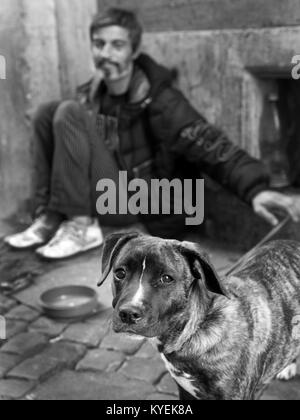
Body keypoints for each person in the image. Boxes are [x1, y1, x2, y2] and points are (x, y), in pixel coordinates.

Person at [5, 8, 300, 259]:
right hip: (112, 194)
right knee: (48, 112)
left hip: (150, 207)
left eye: (117, 45)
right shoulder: (92, 94)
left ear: (134, 51)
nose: (105, 54)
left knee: (68, 111)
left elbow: (210, 143)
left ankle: (81, 225)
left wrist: (256, 189)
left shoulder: (162, 100)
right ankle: (50, 216)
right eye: (99, 44)